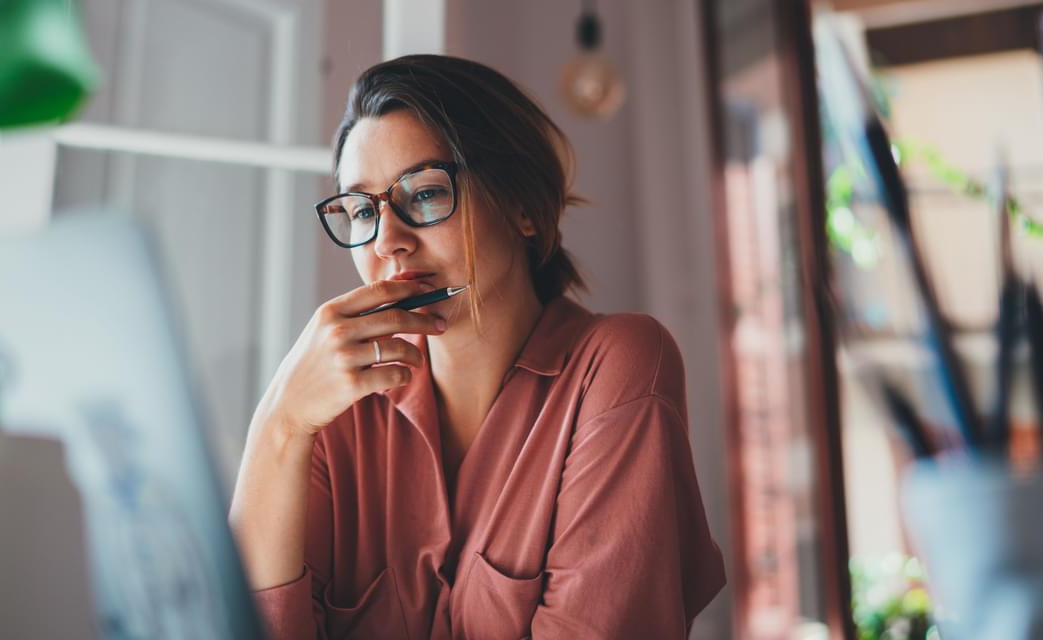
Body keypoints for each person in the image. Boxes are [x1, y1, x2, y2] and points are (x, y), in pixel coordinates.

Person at [229, 54, 724, 639]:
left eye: (426, 194)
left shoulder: (616, 366)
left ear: (522, 207)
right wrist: (280, 423)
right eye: (363, 209)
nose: (388, 241)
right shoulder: (334, 411)